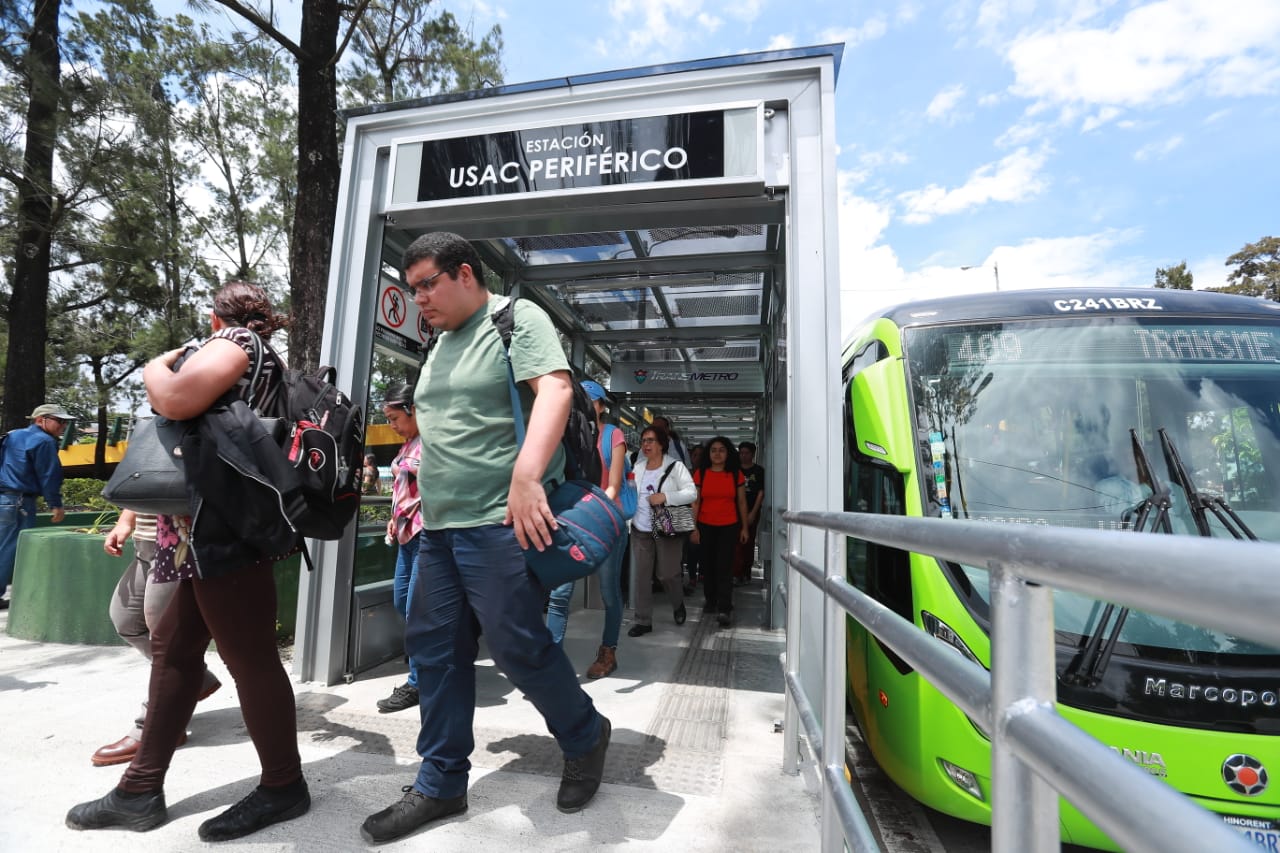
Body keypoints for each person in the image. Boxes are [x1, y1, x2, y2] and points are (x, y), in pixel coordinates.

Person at [360, 232, 611, 844]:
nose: (417, 297)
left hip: (498, 521)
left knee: (516, 646)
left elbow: (554, 389)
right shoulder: (440, 343)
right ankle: (441, 781)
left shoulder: (515, 317)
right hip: (438, 528)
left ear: (465, 273)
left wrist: (526, 476)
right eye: (412, 286)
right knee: (435, 651)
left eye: (427, 284)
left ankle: (584, 733)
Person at [67, 281, 310, 841]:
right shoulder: (261, 354)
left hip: (224, 527)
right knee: (173, 650)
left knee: (249, 659)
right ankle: (139, 790)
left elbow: (173, 400)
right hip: (201, 529)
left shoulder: (238, 344)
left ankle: (283, 786)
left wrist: (157, 364)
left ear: (213, 317)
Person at [92, 510, 222, 766]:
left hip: (178, 541)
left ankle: (159, 727)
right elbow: (144, 473)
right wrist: (126, 521)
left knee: (167, 640)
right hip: (146, 544)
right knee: (126, 620)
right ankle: (197, 681)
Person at [545, 379, 628, 679]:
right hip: (569, 520)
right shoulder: (562, 430)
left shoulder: (613, 435)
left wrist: (586, 512)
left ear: (601, 406)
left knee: (608, 592)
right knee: (559, 594)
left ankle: (609, 651)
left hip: (604, 521)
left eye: (588, 400)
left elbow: (613, 485)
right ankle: (551, 662)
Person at [377, 384, 424, 713]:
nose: (391, 425)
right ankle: (426, 662)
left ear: (413, 409)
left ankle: (418, 682)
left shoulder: (433, 443)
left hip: (427, 535)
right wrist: (394, 518)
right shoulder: (409, 444)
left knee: (415, 609)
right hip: (406, 535)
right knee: (401, 600)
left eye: (394, 418)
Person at [627, 423, 696, 637]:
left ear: (662, 445)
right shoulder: (637, 468)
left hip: (666, 525)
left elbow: (691, 493)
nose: (645, 445)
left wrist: (666, 496)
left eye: (650, 440)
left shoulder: (675, 467)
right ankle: (643, 620)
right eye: (643, 440)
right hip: (640, 528)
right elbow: (631, 495)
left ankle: (678, 604)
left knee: (667, 574)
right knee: (642, 576)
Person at [0, 403, 68, 607]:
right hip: (20, 501)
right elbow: (48, 474)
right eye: (59, 421)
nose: (63, 425)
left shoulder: (11, 436)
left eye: (65, 422)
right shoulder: (44, 441)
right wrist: (55, 503)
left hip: (4, 498)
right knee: (11, 550)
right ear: (41, 420)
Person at [692, 435, 749, 627]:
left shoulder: (736, 474)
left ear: (728, 454)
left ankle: (725, 607)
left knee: (724, 567)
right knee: (707, 565)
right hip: (705, 525)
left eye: (722, 450)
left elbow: (741, 502)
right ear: (709, 454)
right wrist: (693, 528)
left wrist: (745, 527)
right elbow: (696, 502)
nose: (717, 454)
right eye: (713, 450)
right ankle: (711, 600)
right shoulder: (700, 473)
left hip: (729, 526)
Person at [734, 441, 766, 584]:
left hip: (752, 511)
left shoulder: (759, 471)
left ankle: (746, 572)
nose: (743, 456)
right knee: (736, 543)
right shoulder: (734, 470)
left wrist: (753, 513)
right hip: (735, 512)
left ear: (752, 454)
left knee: (749, 542)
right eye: (741, 453)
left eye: (746, 453)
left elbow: (760, 492)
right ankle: (737, 573)